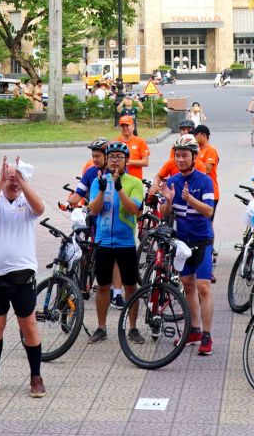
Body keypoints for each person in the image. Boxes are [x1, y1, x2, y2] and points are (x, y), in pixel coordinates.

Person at [0, 153, 47, 399]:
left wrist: (21, 179)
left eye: (18, 180)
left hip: (23, 273)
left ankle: (36, 377)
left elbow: (40, 208)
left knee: (28, 325)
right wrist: (0, 180)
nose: (14, 184)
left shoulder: (26, 203)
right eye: (10, 180)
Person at [159, 135, 216, 357]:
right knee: (188, 286)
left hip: (202, 239)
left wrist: (190, 199)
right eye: (177, 155)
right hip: (182, 240)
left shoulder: (204, 181)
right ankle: (194, 330)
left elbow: (209, 211)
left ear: (194, 157)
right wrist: (169, 201)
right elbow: (163, 214)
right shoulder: (172, 181)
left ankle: (207, 335)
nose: (180, 159)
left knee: (203, 287)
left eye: (185, 155)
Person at [86, 142, 145, 343]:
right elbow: (93, 210)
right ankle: (101, 327)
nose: (114, 160)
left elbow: (133, 209)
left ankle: (133, 327)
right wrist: (102, 191)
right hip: (103, 241)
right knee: (103, 286)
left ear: (126, 161)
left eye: (119, 157)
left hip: (126, 242)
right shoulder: (98, 182)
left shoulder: (135, 183)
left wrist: (119, 188)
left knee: (130, 286)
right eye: (111, 157)